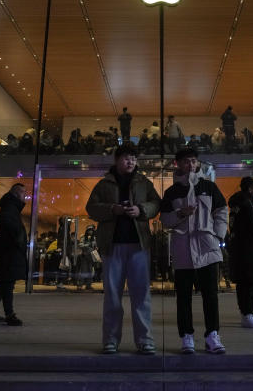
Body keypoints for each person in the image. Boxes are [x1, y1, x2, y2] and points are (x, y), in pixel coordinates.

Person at [85, 143, 161, 355]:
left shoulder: (143, 183)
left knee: (141, 295)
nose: (131, 162)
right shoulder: (104, 184)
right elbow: (91, 208)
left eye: (134, 159)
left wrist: (142, 209)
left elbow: (156, 203)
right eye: (127, 158)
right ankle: (110, 340)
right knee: (112, 295)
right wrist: (113, 209)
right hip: (112, 246)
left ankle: (145, 340)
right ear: (117, 160)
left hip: (139, 246)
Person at [159, 147, 228, 354]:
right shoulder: (171, 192)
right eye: (186, 161)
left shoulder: (209, 187)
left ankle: (212, 335)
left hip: (207, 248)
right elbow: (165, 220)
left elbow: (221, 211)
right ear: (177, 164)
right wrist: (180, 213)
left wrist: (217, 236)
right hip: (183, 249)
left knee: (211, 295)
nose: (191, 164)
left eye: (193, 161)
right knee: (183, 296)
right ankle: (186, 336)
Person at [0, 183, 28, 326]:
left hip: (9, 252)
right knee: (8, 283)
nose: (25, 196)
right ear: (16, 194)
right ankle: (10, 315)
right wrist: (19, 239)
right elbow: (10, 228)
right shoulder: (10, 208)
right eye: (23, 193)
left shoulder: (10, 207)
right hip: (9, 253)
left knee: (4, 283)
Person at [228, 176, 253, 328]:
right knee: (251, 282)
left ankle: (245, 314)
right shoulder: (248, 203)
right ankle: (249, 314)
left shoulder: (236, 204)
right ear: (250, 189)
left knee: (243, 283)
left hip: (240, 249)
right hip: (250, 250)